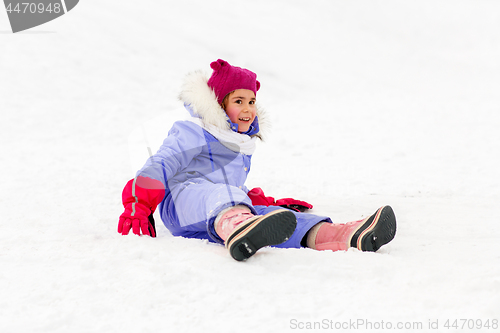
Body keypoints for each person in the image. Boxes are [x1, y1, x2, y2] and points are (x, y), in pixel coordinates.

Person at [118, 59, 397, 261]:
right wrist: (138, 205)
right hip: (180, 204)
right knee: (223, 195)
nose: (247, 109)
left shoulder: (241, 144)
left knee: (279, 218)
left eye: (251, 102)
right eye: (238, 101)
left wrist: (266, 205)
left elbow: (228, 185)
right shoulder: (194, 131)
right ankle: (239, 226)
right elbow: (161, 165)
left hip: (220, 207)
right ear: (218, 103)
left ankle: (341, 234)